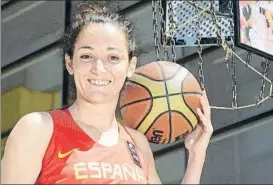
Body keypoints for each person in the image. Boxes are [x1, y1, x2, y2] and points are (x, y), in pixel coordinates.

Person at [1, 2, 213, 184]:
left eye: (113, 58)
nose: (99, 68)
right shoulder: (38, 129)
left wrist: (196, 156)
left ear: (131, 66)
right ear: (70, 63)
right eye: (86, 56)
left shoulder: (137, 143)